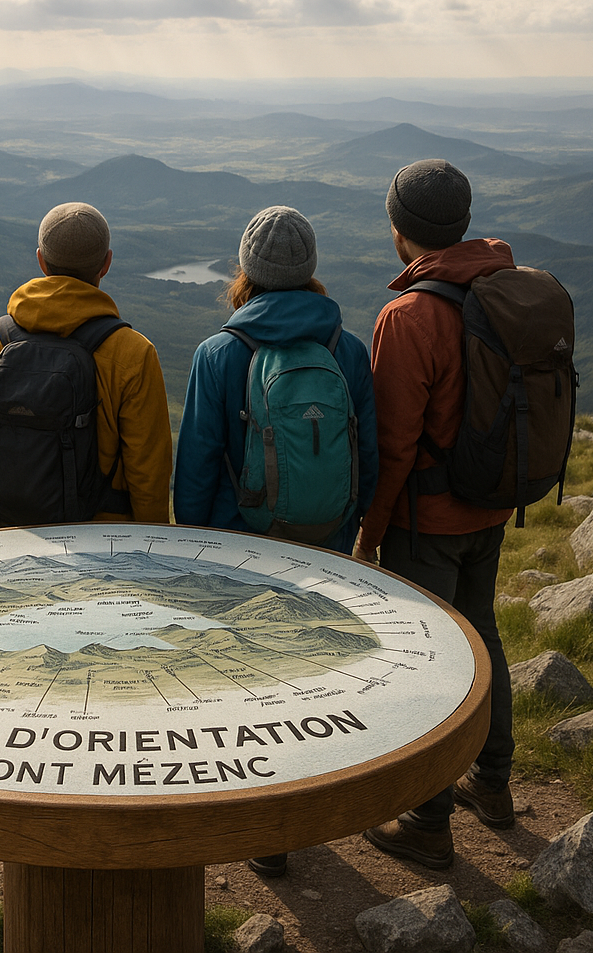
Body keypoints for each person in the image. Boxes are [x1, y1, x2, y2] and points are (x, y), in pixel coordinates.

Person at [173, 205, 378, 877]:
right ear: (311, 272)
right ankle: (298, 805)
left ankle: (261, 827)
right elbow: (365, 455)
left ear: (246, 273)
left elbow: (199, 461)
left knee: (244, 678)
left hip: (239, 545)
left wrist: (191, 554)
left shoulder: (218, 353)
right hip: (323, 539)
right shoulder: (346, 349)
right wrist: (350, 530)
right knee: (306, 676)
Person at [355, 159, 517, 870]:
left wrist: (371, 533)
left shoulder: (409, 315)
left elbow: (395, 445)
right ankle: (493, 783)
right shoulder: (509, 289)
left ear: (400, 230)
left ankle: (426, 819)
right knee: (482, 631)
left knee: (427, 665)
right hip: (493, 502)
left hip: (429, 521)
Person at [0, 201, 172, 529]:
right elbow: (149, 474)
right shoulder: (134, 354)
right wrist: (150, 552)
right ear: (106, 264)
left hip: (13, 536)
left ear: (41, 260)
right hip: (105, 542)